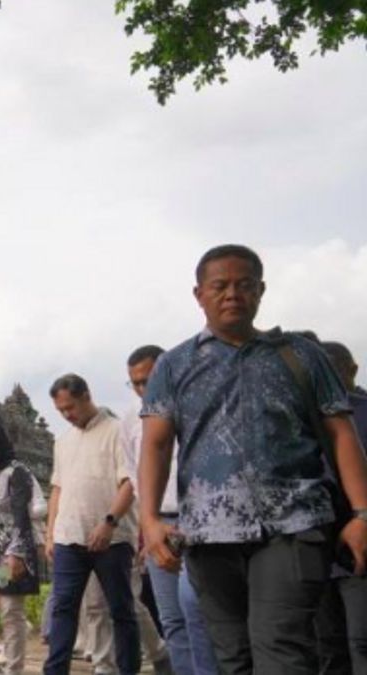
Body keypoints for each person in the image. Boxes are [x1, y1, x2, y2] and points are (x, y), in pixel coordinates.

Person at [139, 244, 367, 674]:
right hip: (208, 535)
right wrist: (149, 519)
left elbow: (341, 434)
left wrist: (362, 513)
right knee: (232, 657)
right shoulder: (175, 365)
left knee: (281, 651)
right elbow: (155, 444)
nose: (232, 295)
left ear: (261, 290)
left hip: (293, 525)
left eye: (244, 285)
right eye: (220, 286)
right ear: (199, 294)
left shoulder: (300, 356)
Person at [119, 344, 215, 675]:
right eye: (136, 383)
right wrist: (148, 522)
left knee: (197, 610)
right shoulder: (131, 419)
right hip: (158, 520)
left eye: (149, 379)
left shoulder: (195, 401)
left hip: (197, 518)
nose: (144, 389)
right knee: (171, 616)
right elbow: (134, 472)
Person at [43, 374, 140, 675]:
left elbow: (129, 482)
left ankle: (127, 670)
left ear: (87, 396)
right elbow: (57, 488)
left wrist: (109, 522)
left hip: (112, 538)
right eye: (61, 411)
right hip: (68, 537)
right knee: (63, 609)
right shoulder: (63, 440)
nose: (67, 415)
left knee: (121, 610)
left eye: (70, 407)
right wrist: (50, 533)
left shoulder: (117, 431)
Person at [315, 340, 367, 675]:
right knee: (327, 644)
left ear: (352, 370)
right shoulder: (306, 416)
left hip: (359, 542)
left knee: (360, 639)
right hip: (317, 545)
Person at [0, 418, 41, 675]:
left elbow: (21, 517)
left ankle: (14, 668)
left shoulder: (16, 472)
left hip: (11, 553)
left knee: (10, 610)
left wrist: (15, 555)